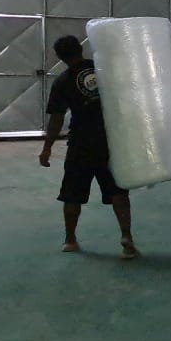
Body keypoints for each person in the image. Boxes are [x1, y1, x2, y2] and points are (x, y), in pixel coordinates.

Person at [39, 35, 139, 260]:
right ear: (80, 49)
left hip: (81, 143)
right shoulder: (104, 71)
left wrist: (47, 148)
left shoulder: (63, 81)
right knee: (118, 191)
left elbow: (56, 118)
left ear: (60, 57)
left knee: (72, 194)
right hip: (110, 140)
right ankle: (127, 237)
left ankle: (70, 240)